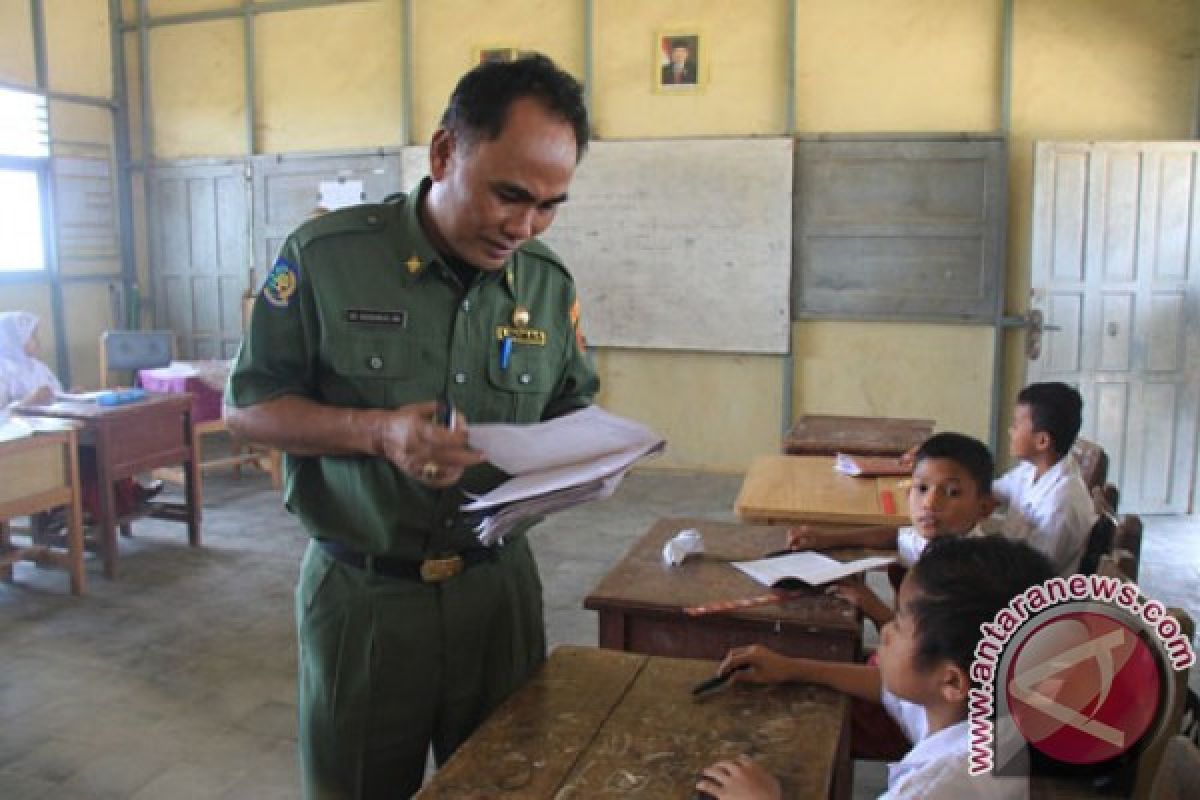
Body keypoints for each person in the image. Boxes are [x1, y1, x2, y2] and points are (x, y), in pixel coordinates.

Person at [225, 54, 597, 799]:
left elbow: (573, 409)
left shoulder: (547, 284)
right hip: (366, 600)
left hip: (497, 598)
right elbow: (248, 409)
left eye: (551, 204)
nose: (524, 226)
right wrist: (377, 433)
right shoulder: (328, 259)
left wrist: (590, 460)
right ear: (443, 154)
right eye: (510, 195)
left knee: (503, 785)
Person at [696, 535, 1056, 800]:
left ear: (951, 680)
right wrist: (794, 667)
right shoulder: (984, 715)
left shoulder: (934, 790)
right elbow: (890, 691)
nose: (884, 631)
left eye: (899, 625)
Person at [788, 432, 996, 627]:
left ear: (984, 508)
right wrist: (828, 539)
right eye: (922, 488)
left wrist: (871, 605)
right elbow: (896, 536)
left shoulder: (967, 573)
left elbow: (923, 656)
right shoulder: (937, 538)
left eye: (952, 492)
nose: (930, 503)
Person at [0, 311, 153, 521]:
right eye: (32, 336)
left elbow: (55, 396)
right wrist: (28, 402)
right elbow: (3, 416)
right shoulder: (3, 371)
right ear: (13, 340)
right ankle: (97, 507)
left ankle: (127, 496)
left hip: (61, 430)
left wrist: (70, 395)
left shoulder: (38, 367)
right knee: (86, 458)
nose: (38, 341)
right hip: (32, 444)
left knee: (107, 446)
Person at [990, 382, 1097, 576]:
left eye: (1015, 425)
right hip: (1012, 564)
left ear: (1042, 441)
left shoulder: (1061, 504)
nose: (1010, 432)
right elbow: (992, 492)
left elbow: (1032, 574)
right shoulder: (1032, 469)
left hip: (1031, 595)